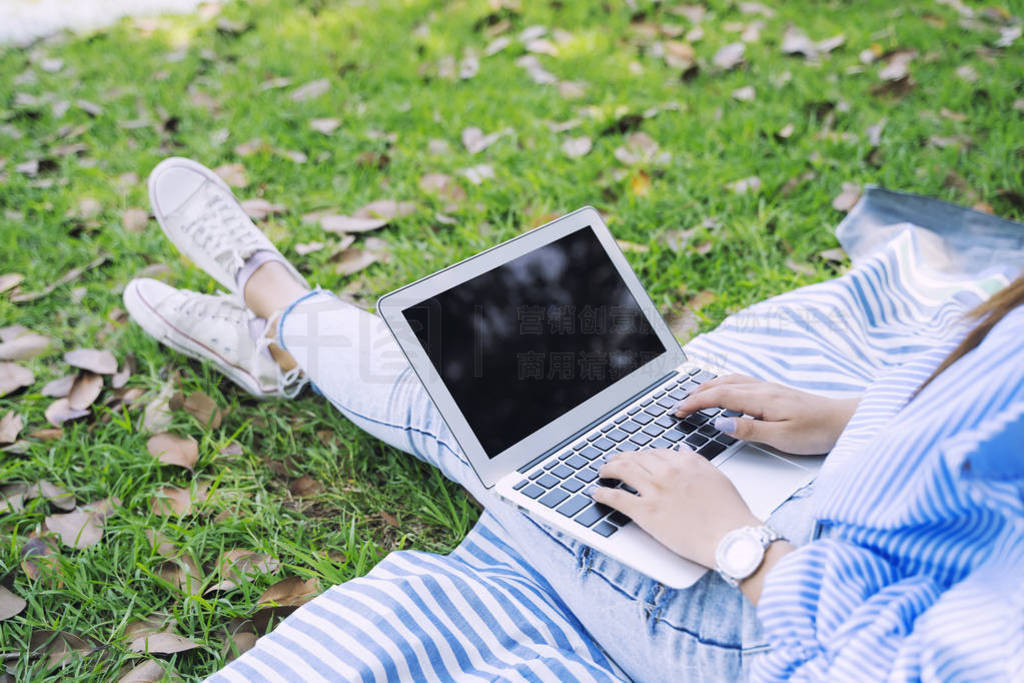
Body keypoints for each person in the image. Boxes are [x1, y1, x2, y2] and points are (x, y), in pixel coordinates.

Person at [125, 157, 1024, 681]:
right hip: (844, 527)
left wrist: (742, 550)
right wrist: (850, 415)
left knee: (486, 424)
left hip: (777, 628)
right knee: (564, 410)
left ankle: (272, 295)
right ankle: (284, 332)